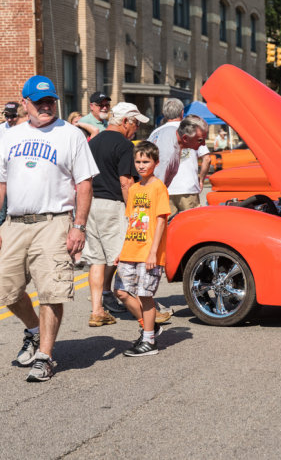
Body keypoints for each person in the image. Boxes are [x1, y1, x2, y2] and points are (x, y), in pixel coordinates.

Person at [0, 75, 99, 381]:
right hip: (15, 222)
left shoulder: (71, 135)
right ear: (25, 102)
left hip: (54, 222)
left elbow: (84, 184)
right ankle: (33, 330)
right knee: (6, 288)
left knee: (51, 290)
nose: (45, 106)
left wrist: (78, 226)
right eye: (39, 101)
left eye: (50, 101)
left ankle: (45, 354)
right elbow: (1, 183)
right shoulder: (8, 136)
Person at [84, 103, 148, 327]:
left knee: (97, 260)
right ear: (125, 122)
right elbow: (126, 181)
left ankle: (97, 310)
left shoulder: (94, 141)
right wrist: (134, 214)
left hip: (92, 204)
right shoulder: (124, 144)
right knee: (126, 258)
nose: (136, 128)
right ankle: (144, 309)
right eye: (135, 123)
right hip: (113, 205)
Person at [114, 141, 171, 357]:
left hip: (149, 252)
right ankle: (150, 327)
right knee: (120, 291)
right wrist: (122, 249)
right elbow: (132, 221)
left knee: (145, 295)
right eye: (137, 161)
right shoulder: (135, 188)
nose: (141, 165)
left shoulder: (158, 187)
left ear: (155, 162)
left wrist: (154, 252)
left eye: (145, 161)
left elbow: (161, 221)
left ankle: (149, 341)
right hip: (131, 249)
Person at [150, 99, 211, 215]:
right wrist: (201, 179)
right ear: (182, 113)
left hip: (164, 189)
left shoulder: (155, 133)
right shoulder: (193, 129)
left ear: (164, 113)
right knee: (190, 225)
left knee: (167, 227)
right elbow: (207, 159)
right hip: (187, 187)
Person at [148, 107, 208, 188]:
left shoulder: (172, 131)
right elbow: (154, 188)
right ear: (185, 138)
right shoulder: (168, 154)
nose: (203, 144)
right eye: (200, 140)